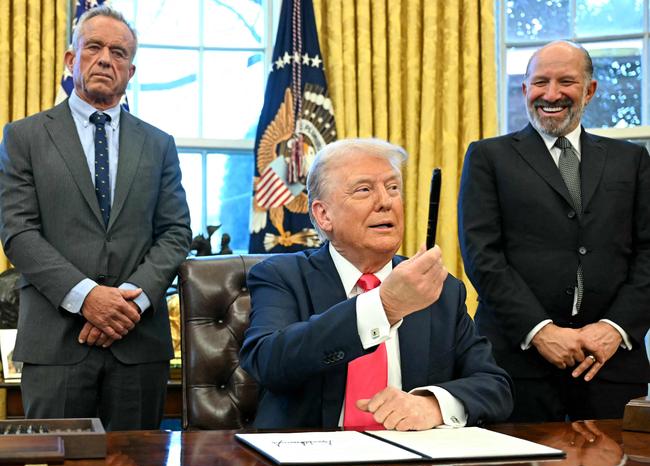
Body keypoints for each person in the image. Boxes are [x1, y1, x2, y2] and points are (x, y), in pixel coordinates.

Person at [0, 6, 192, 430]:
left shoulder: (159, 144)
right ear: (72, 60)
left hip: (138, 343)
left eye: (119, 52)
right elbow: (18, 231)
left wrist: (131, 300)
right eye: (95, 47)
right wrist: (87, 297)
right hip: (56, 344)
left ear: (131, 70)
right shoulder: (24, 136)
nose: (106, 59)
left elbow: (176, 232)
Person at [240, 138, 513, 430]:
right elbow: (268, 361)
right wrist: (383, 307)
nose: (386, 202)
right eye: (364, 190)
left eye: (393, 188)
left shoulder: (439, 290)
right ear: (324, 215)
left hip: (411, 464)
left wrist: (432, 405)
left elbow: (495, 387)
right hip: (310, 463)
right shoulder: (282, 275)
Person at [458, 40, 650, 423]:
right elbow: (483, 256)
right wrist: (541, 331)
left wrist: (614, 330)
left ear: (590, 90)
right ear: (525, 89)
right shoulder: (487, 158)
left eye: (566, 81)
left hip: (611, 367)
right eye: (540, 82)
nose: (551, 94)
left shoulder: (632, 160)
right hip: (517, 364)